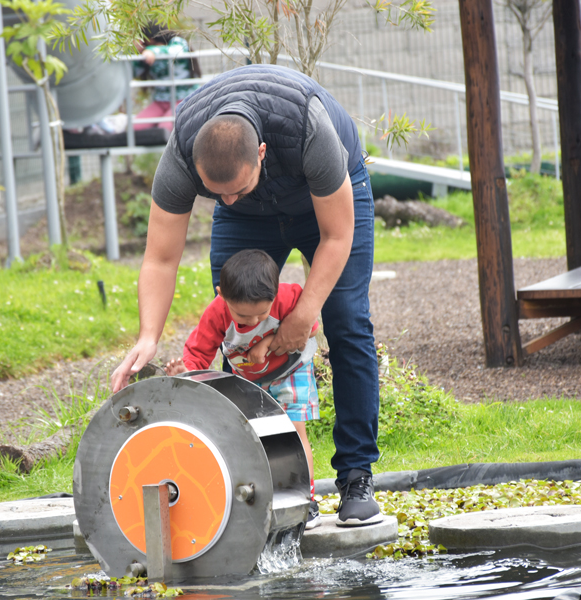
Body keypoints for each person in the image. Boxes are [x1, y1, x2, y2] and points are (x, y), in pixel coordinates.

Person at [111, 63, 382, 527]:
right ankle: (257, 482)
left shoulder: (307, 128)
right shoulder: (183, 154)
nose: (226, 200)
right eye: (216, 194)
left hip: (329, 196)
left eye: (235, 189)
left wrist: (305, 314)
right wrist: (148, 336)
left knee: (346, 321)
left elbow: (337, 237)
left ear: (260, 154)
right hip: (251, 220)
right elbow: (159, 258)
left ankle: (356, 477)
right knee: (237, 329)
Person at [163, 249, 322, 530]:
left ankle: (305, 501)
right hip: (249, 379)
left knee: (293, 435)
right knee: (254, 439)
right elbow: (199, 352)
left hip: (292, 369)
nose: (253, 322)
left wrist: (268, 343)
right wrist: (187, 373)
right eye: (242, 316)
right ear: (221, 295)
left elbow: (309, 326)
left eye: (262, 314)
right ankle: (265, 500)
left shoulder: (288, 296)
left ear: (275, 294)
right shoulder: (216, 313)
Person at [132, 23, 201, 133]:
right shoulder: (146, 53)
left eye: (153, 44)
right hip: (161, 100)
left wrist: (151, 51)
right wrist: (136, 53)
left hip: (184, 98)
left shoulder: (177, 42)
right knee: (136, 127)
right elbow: (133, 72)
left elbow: (174, 51)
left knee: (165, 128)